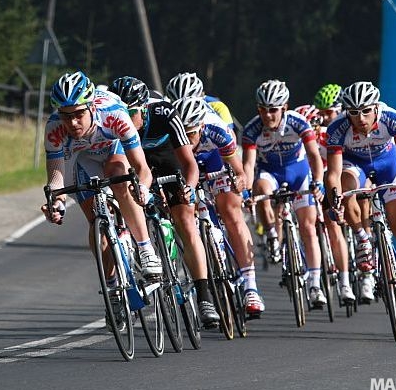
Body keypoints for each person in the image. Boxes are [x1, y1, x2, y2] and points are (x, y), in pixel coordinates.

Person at [40, 71, 162, 330]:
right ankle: (112, 290)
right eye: (66, 115)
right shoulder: (54, 128)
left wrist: (142, 189)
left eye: (78, 115)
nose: (72, 123)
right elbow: (57, 176)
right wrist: (56, 203)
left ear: (91, 106)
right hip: (83, 159)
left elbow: (141, 167)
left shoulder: (115, 114)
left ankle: (145, 248)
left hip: (113, 150)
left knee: (120, 179)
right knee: (97, 224)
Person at [109, 76, 220, 327]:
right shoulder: (115, 124)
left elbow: (189, 164)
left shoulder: (164, 113)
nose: (125, 120)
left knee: (185, 220)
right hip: (137, 163)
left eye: (131, 113)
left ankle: (204, 297)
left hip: (169, 161)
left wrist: (189, 190)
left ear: (144, 107)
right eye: (121, 113)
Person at [324, 81, 396, 319]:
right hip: (355, 166)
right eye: (354, 113)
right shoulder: (337, 128)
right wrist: (334, 199)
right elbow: (332, 174)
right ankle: (362, 239)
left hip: (387, 165)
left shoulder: (393, 118)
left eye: (366, 111)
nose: (360, 118)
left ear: (375, 109)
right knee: (346, 184)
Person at [172, 95, 265, 318]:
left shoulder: (216, 129)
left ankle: (250, 286)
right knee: (184, 216)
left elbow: (239, 171)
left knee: (231, 211)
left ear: (201, 126)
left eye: (192, 133)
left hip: (215, 162)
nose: (187, 139)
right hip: (186, 167)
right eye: (182, 133)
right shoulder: (173, 135)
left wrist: (239, 181)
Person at [242, 80, 328, 308]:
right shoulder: (252, 129)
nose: (268, 115)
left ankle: (315, 284)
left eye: (273, 109)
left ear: (284, 107)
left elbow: (314, 156)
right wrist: (246, 191)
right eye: (263, 109)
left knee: (308, 228)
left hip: (298, 173)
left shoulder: (298, 123)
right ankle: (271, 233)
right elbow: (249, 166)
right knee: (260, 187)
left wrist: (318, 181)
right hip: (270, 173)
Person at [295, 99, 355, 304]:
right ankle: (313, 279)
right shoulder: (292, 140)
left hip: (327, 179)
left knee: (333, 227)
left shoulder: (323, 136)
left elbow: (338, 165)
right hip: (308, 183)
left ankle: (345, 282)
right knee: (308, 225)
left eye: (312, 125)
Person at [165, 72, 236, 135]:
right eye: (177, 103)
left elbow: (230, 135)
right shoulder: (165, 106)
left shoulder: (217, 105)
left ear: (200, 95)